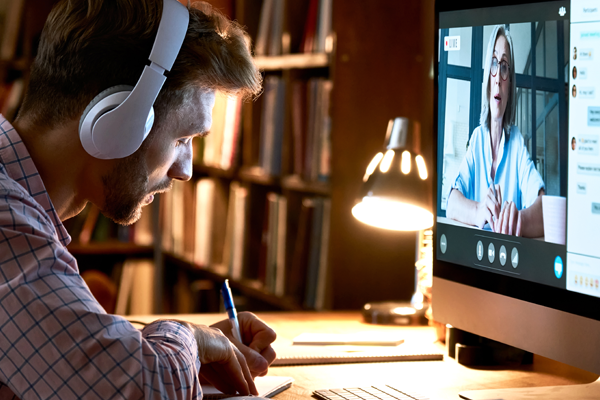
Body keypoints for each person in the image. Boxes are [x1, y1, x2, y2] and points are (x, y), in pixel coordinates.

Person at [0, 0, 276, 398]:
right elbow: (130, 391)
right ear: (116, 122)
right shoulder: (7, 221)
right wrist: (190, 340)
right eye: (183, 139)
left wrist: (167, 354)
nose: (186, 171)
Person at [446, 25, 545, 237]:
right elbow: (452, 203)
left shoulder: (517, 143)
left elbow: (543, 209)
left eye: (504, 66)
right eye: (493, 63)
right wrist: (478, 210)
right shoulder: (476, 140)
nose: (498, 76)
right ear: (487, 81)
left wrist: (517, 220)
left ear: (510, 86)